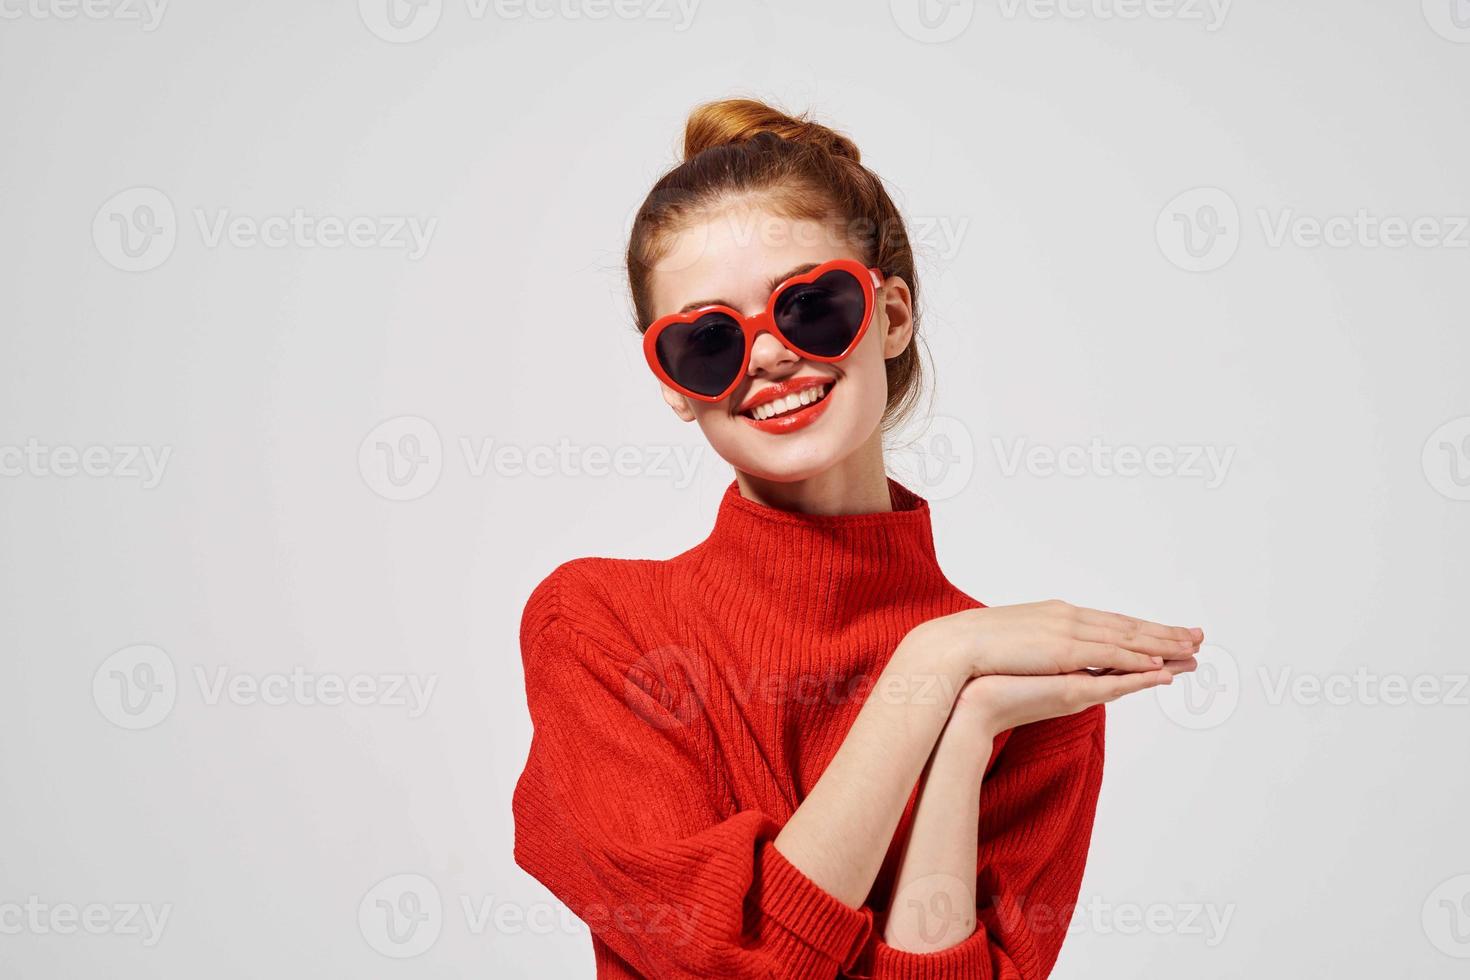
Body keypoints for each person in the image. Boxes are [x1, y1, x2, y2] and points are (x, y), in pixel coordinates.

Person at [511, 96, 1202, 979]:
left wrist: (962, 734)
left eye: (810, 306)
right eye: (707, 340)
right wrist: (925, 669)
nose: (764, 357)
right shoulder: (601, 628)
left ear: (892, 316)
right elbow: (733, 962)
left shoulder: (1024, 687)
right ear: (676, 388)